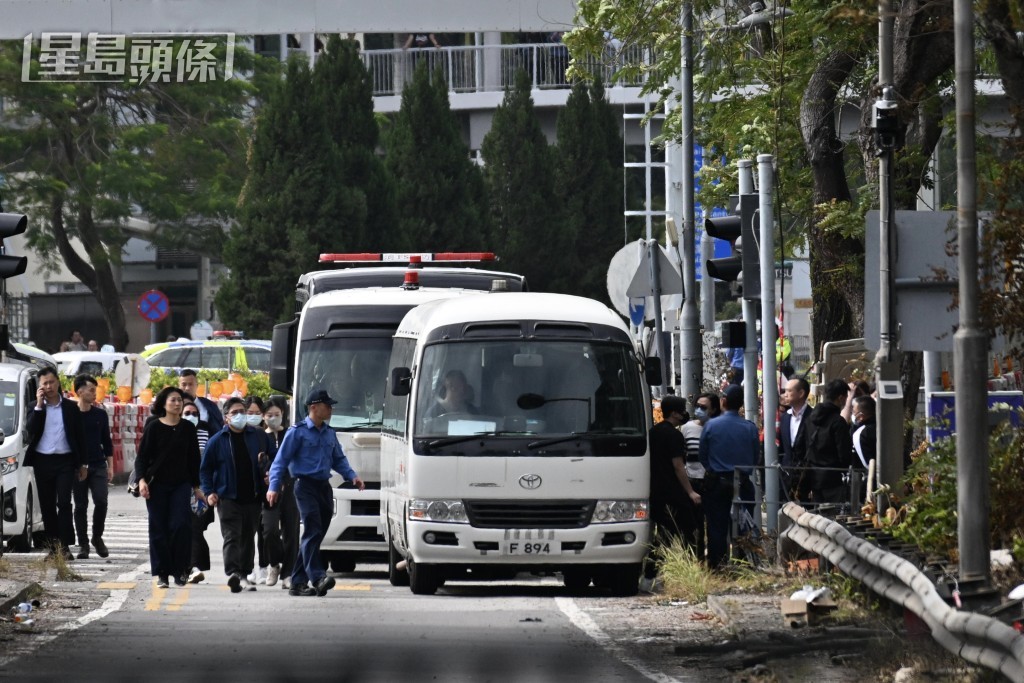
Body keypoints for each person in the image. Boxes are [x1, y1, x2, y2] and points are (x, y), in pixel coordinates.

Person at [267, 389, 365, 598]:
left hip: (324, 487)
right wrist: (273, 486)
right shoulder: (297, 432)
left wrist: (352, 476)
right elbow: (280, 461)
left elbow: (338, 459)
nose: (331, 408)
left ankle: (297, 582)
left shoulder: (329, 433)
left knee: (315, 534)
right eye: (326, 405)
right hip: (304, 486)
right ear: (313, 407)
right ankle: (318, 577)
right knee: (312, 529)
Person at [200, 397, 270, 594]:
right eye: (235, 412)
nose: (240, 415)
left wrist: (268, 471)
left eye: (242, 411)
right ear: (226, 418)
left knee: (248, 536)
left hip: (253, 496)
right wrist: (209, 492)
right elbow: (205, 470)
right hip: (227, 496)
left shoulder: (257, 436)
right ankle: (233, 573)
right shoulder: (217, 441)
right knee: (232, 535)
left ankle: (245, 573)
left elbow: (272, 457)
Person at [135, 387, 204, 588]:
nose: (177, 404)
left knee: (180, 525)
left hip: (181, 485)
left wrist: (196, 486)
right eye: (173, 400)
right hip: (156, 485)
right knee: (158, 528)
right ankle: (162, 573)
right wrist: (141, 481)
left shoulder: (188, 429)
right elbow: (142, 458)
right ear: (163, 403)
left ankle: (180, 570)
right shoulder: (154, 427)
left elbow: (193, 460)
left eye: (179, 401)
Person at [25, 366, 87, 560]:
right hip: (42, 461)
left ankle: (65, 546)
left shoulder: (70, 408)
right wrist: (39, 405)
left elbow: (80, 437)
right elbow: (30, 429)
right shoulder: (35, 407)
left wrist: (83, 464)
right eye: (45, 383)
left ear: (58, 382)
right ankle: (53, 548)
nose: (49, 386)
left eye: (52, 382)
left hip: (65, 462)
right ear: (39, 386)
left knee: (64, 502)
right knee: (47, 505)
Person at [643, 395, 702, 591]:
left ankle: (651, 576)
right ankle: (687, 573)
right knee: (688, 532)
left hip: (656, 492)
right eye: (683, 410)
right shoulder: (675, 436)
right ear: (675, 413)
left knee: (664, 535)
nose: (685, 413)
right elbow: (678, 466)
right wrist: (690, 492)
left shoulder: (652, 432)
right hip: (673, 493)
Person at [698, 384, 759, 570]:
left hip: (717, 482)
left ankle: (718, 566)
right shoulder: (750, 427)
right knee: (744, 523)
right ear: (741, 404)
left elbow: (703, 455)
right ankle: (744, 563)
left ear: (723, 401)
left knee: (717, 527)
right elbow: (756, 456)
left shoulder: (711, 425)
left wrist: (713, 469)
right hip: (742, 482)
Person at [71, 374, 113, 559]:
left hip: (98, 464)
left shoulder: (100, 414)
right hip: (77, 466)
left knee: (101, 501)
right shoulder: (70, 414)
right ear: (79, 391)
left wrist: (110, 466)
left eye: (95, 390)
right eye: (90, 390)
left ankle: (97, 537)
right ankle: (83, 544)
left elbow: (107, 441)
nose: (94, 393)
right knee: (80, 506)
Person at [263, 397, 299, 589]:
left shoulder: (290, 435)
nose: (274, 418)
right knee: (269, 531)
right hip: (267, 491)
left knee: (291, 531)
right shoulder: (260, 436)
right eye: (269, 415)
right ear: (263, 416)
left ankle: (288, 572)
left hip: (291, 487)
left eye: (277, 415)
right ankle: (273, 563)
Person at [681, 392, 720, 562]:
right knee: (693, 526)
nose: (699, 410)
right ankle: (695, 560)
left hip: (712, 481)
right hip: (692, 481)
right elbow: (682, 455)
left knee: (713, 524)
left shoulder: (718, 427)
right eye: (697, 406)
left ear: (713, 409)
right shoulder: (687, 428)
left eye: (703, 407)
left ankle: (714, 561)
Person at [804, 379, 853, 506]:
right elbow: (844, 453)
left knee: (817, 517)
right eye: (846, 398)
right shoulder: (838, 422)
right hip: (833, 477)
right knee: (833, 516)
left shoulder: (811, 418)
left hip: (813, 475)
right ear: (841, 398)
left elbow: (802, 444)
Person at [182, 398, 214, 584]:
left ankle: (193, 566)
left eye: (195, 414)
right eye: (187, 413)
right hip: (179, 489)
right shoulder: (175, 432)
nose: (191, 417)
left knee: (196, 527)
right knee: (182, 528)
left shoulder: (207, 434)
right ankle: (189, 566)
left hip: (201, 490)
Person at [779, 378, 810, 501]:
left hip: (805, 475)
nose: (785, 394)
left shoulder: (812, 416)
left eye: (789, 391)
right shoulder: (785, 418)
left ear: (801, 393)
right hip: (786, 473)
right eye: (784, 391)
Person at [850, 396, 876, 504]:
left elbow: (867, 462)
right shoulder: (885, 426)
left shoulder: (861, 433)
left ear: (861, 416)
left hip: (871, 478)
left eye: (853, 410)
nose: (852, 413)